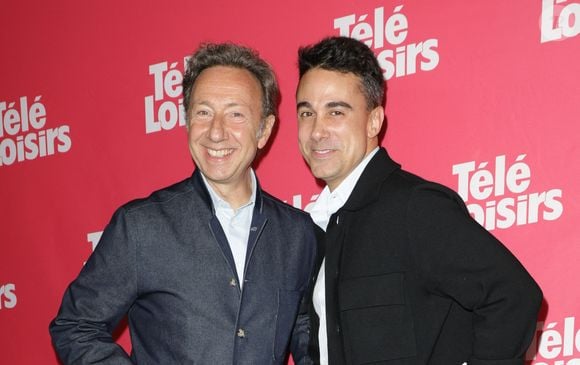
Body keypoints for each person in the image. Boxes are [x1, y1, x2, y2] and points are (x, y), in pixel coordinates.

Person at [50, 43, 316, 364]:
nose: (216, 132)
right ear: (188, 122)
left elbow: (305, 329)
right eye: (203, 112)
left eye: (235, 114)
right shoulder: (140, 226)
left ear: (264, 130)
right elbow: (75, 326)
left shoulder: (299, 233)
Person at [296, 36, 542, 365]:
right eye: (306, 113)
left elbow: (513, 296)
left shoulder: (415, 207)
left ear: (374, 121)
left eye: (336, 112)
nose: (316, 131)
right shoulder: (317, 226)